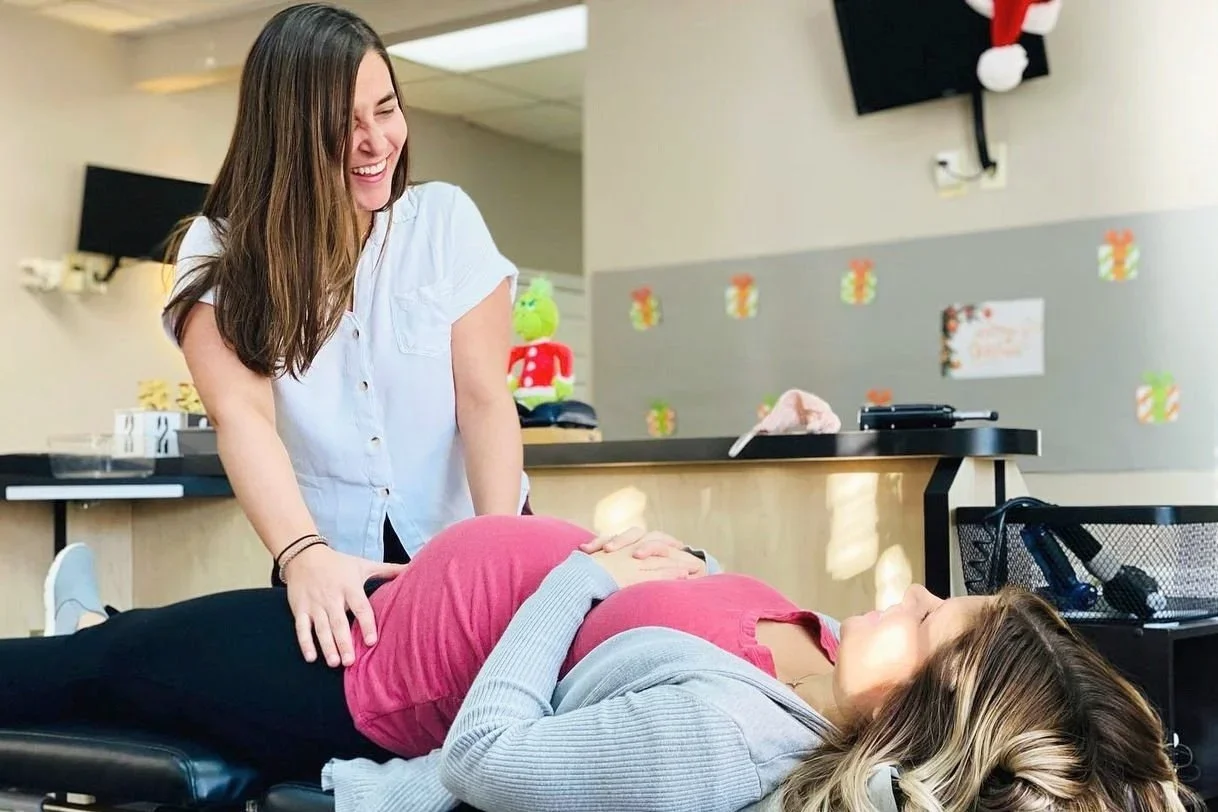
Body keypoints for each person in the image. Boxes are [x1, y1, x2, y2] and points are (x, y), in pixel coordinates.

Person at [19, 518, 1197, 812]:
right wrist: (684, 560)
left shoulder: (723, 743)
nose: (927, 592)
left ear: (925, 713)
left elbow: (487, 758)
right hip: (401, 604)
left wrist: (577, 572)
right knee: (116, 651)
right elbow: (666, 631)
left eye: (940, 620)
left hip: (365, 679)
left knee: (97, 668)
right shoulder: (824, 664)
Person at [158, 3, 528, 669]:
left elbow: (483, 399)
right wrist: (302, 555)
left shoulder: (445, 223)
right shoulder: (221, 248)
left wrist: (493, 560)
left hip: (474, 542)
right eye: (343, 124)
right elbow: (241, 415)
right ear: (287, 134)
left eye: (386, 109)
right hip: (327, 565)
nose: (377, 141)